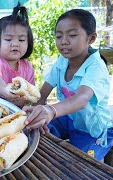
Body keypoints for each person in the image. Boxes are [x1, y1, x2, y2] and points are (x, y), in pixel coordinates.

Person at [24, 9, 113, 161]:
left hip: (93, 130)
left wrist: (51, 111)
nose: (63, 41)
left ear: (91, 38)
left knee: (79, 164)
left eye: (72, 35)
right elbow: (43, 93)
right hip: (69, 119)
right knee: (32, 133)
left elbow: (81, 99)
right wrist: (34, 115)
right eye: (59, 36)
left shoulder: (95, 67)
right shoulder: (62, 61)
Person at [0, 3, 35, 107]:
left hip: (12, 113)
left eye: (21, 39)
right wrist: (5, 90)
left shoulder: (27, 67)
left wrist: (25, 100)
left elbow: (30, 93)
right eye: (8, 39)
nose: (15, 44)